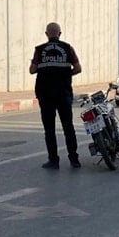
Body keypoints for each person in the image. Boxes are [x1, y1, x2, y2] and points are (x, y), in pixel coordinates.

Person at [29, 22, 82, 169]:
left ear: (46, 34)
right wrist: (66, 75)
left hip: (45, 94)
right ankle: (74, 159)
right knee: (68, 127)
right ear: (60, 33)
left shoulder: (39, 50)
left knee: (49, 129)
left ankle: (53, 160)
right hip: (63, 92)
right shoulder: (67, 48)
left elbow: (32, 70)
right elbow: (78, 68)